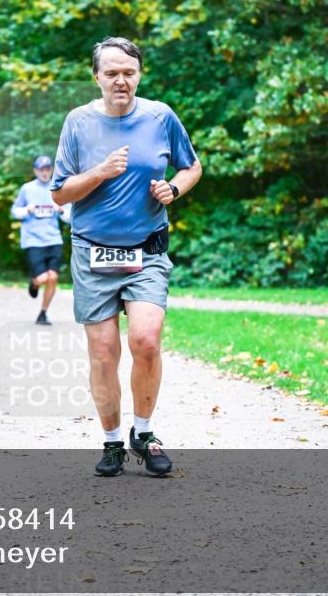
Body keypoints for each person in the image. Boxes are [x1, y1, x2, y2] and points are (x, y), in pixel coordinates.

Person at [51, 37, 202, 477]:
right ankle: (113, 441)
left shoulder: (160, 116)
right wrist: (99, 172)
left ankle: (144, 432)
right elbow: (59, 192)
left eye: (129, 72)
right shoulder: (78, 123)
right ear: (96, 76)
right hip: (92, 252)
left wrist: (173, 188)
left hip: (147, 248)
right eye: (112, 72)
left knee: (146, 341)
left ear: (139, 74)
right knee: (103, 354)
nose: (121, 80)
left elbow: (192, 166)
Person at [11, 155, 71, 325]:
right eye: (41, 169)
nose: (45, 172)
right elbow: (15, 211)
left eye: (47, 169)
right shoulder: (27, 189)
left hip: (53, 239)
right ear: (35, 171)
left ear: (51, 170)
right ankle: (34, 282)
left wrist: (61, 211)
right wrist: (26, 210)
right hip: (33, 241)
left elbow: (70, 216)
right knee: (43, 277)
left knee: (53, 277)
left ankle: (43, 313)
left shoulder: (58, 188)